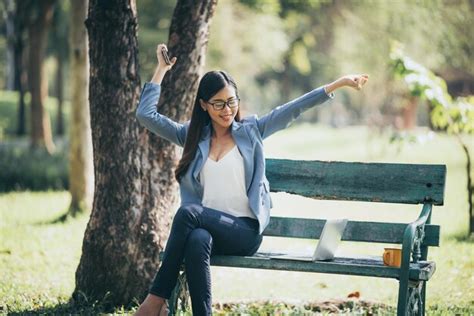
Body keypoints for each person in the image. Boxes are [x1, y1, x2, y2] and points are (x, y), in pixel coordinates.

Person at [134, 43, 368, 316]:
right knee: (196, 239)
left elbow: (293, 109)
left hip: (244, 232)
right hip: (208, 230)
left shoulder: (252, 130)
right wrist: (161, 70)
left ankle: (153, 302)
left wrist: (337, 84)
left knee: (188, 214)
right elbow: (145, 115)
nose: (227, 109)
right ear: (204, 105)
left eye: (232, 101)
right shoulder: (192, 136)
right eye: (218, 103)